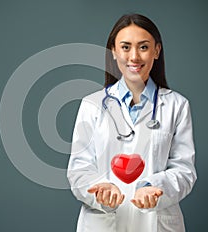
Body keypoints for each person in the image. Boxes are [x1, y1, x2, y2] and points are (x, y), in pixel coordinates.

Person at [67, 13, 197, 232]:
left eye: (143, 47)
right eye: (125, 47)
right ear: (114, 52)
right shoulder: (92, 105)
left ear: (156, 51)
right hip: (103, 223)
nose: (134, 56)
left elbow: (184, 170)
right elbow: (79, 169)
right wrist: (101, 189)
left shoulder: (177, 105)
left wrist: (154, 188)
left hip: (157, 223)